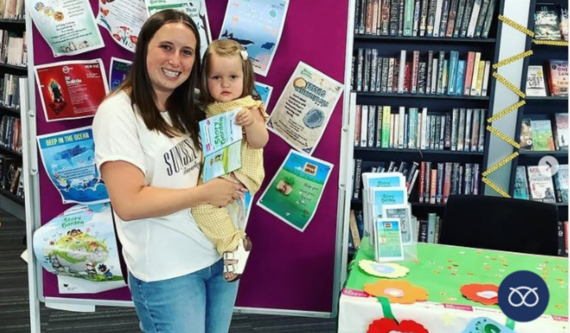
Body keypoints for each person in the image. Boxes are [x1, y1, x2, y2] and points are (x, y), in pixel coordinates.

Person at [92, 10, 247, 333]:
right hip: (168, 272)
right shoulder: (117, 113)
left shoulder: (191, 104)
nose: (175, 60)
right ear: (144, 47)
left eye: (186, 52)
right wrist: (205, 194)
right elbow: (129, 204)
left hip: (219, 255)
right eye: (166, 47)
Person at [192, 39, 269, 282]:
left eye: (233, 77)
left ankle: (234, 244)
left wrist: (251, 124)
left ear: (245, 78)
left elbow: (260, 141)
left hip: (241, 173)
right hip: (220, 170)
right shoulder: (209, 107)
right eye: (216, 77)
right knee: (208, 210)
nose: (225, 84)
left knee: (201, 206)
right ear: (205, 79)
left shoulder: (248, 106)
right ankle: (231, 243)